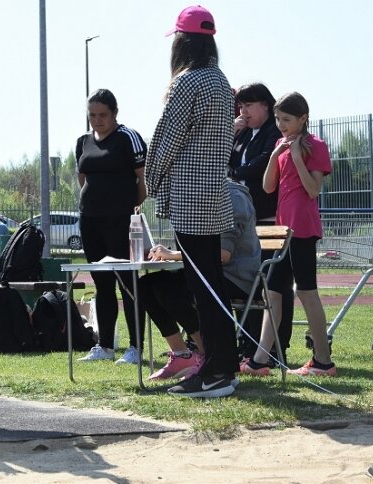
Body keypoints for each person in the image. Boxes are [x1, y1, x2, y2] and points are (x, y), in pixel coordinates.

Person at [145, 6, 238, 398]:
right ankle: (224, 368)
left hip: (189, 195)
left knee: (204, 290)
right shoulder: (220, 80)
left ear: (182, 43)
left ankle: (216, 372)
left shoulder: (188, 83)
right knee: (212, 285)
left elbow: (167, 139)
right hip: (215, 193)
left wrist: (150, 180)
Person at [241, 91, 336, 377]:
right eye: (278, 119)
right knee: (272, 293)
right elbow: (269, 187)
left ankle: (323, 361)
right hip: (284, 231)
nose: (281, 124)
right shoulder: (281, 145)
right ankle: (260, 361)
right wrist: (275, 155)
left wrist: (295, 156)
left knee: (307, 293)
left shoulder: (315, 146)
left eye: (287, 119)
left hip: (303, 229)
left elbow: (313, 190)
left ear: (303, 119)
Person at [142, 180, 260, 380]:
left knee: (171, 289)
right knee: (147, 284)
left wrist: (173, 255)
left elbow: (223, 255)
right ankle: (182, 355)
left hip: (236, 278)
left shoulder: (233, 198)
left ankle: (209, 355)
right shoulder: (205, 197)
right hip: (212, 272)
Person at [75, 88, 147, 364]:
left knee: (128, 282)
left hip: (122, 220)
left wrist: (127, 208)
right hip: (90, 220)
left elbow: (143, 181)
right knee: (102, 282)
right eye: (92, 115)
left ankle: (136, 348)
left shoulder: (129, 137)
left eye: (102, 115)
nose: (97, 120)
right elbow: (83, 178)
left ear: (114, 113)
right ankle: (104, 346)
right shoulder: (82, 141)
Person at [229, 82, 294, 361]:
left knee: (273, 284)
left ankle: (278, 346)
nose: (244, 111)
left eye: (249, 105)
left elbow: (261, 166)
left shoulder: (273, 133)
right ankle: (249, 343)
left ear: (265, 105)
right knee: (247, 283)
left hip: (270, 218)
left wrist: (237, 171)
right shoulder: (241, 133)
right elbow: (224, 162)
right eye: (240, 106)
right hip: (243, 223)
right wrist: (230, 133)